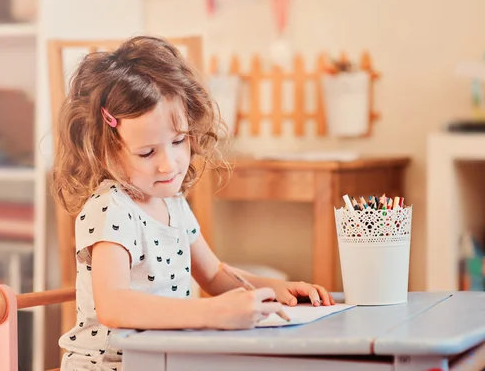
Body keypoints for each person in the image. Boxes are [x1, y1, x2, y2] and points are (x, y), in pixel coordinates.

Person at [51, 36, 335, 371]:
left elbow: (214, 274)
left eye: (177, 141)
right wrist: (212, 313)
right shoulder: (110, 208)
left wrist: (278, 288)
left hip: (165, 359)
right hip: (111, 365)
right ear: (104, 149)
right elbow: (114, 305)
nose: (168, 164)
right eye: (147, 152)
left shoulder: (172, 202)